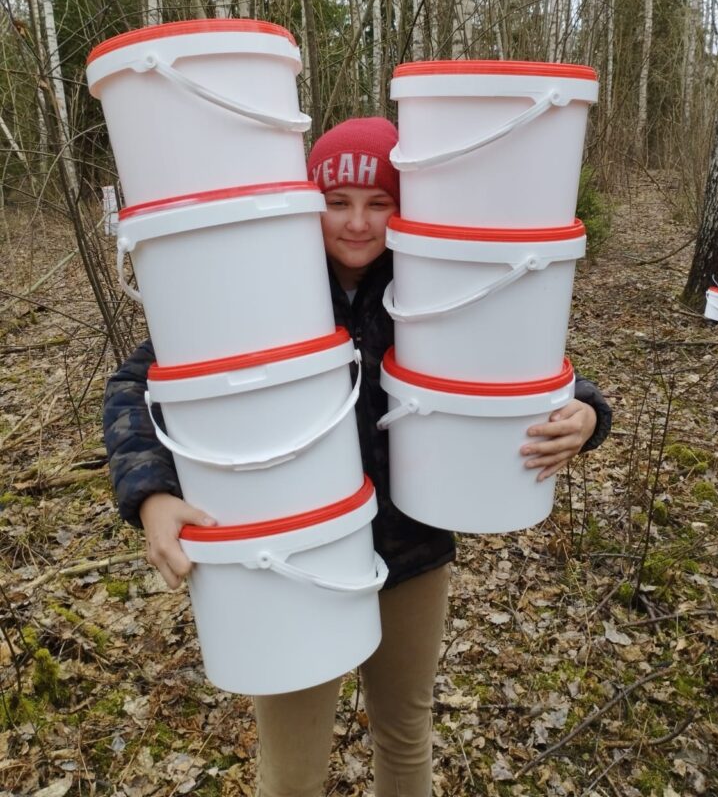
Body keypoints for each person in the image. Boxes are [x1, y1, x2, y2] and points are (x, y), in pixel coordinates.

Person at [104, 116, 612, 797]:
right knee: (291, 768)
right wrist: (150, 491)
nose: (356, 224)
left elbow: (512, 360)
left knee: (403, 735)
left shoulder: (435, 282)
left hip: (411, 549)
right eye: (337, 202)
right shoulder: (254, 286)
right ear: (307, 202)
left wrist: (586, 411)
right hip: (290, 560)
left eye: (379, 204)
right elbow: (137, 381)